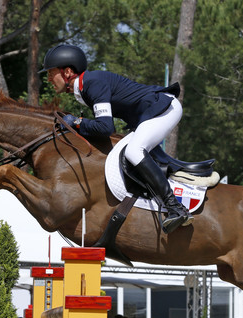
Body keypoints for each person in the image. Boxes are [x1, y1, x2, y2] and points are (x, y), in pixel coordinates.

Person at [41, 44, 192, 233]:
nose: (48, 79)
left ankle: (175, 208)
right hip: (153, 113)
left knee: (133, 151)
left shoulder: (92, 83)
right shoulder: (86, 87)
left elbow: (105, 127)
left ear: (68, 72)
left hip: (163, 109)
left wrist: (77, 122)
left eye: (50, 73)